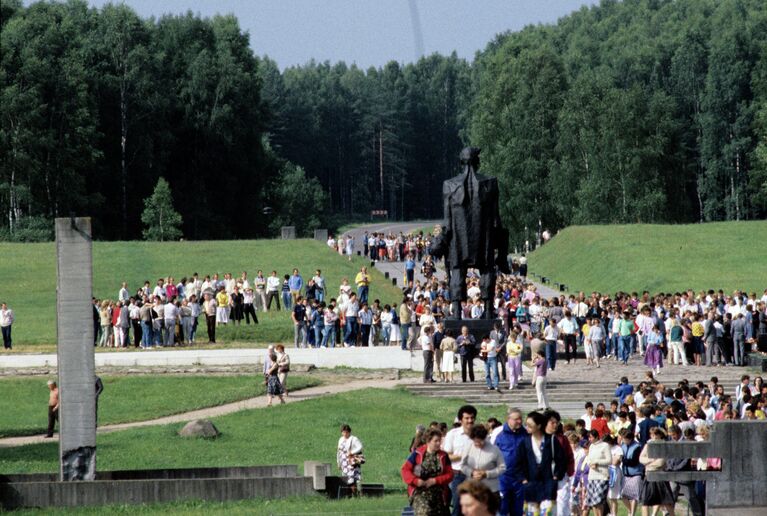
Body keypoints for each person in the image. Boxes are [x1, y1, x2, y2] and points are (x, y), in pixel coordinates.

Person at [515, 411, 566, 516]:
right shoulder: (525, 442)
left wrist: (556, 476)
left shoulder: (551, 440)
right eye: (526, 425)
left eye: (530, 425)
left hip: (548, 482)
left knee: (547, 512)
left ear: (538, 426)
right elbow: (518, 462)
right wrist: (523, 479)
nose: (527, 427)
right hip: (530, 483)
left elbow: (561, 460)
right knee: (532, 513)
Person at [401, 427, 454, 516]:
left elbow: (450, 474)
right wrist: (416, 481)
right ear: (428, 441)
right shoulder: (417, 454)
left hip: (439, 493)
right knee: (425, 512)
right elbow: (405, 470)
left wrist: (435, 481)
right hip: (420, 492)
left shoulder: (444, 456)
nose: (438, 443)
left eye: (440, 441)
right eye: (436, 441)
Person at [443, 405, 478, 516]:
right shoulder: (452, 434)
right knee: (458, 508)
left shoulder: (480, 434)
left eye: (472, 418)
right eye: (467, 418)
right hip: (458, 475)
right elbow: (447, 456)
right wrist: (463, 456)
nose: (470, 421)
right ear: (461, 419)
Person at [460, 424, 505, 500]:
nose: (477, 444)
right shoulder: (468, 447)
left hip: (490, 490)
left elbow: (502, 468)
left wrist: (487, 474)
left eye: (480, 441)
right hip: (472, 488)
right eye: (475, 441)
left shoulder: (494, 449)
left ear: (485, 438)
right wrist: (471, 472)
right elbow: (463, 466)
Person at [495, 408, 526, 516]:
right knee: (502, 509)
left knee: (518, 510)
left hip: (520, 479)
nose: (519, 421)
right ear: (508, 419)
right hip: (504, 478)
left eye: (520, 419)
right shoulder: (499, 435)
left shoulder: (526, 434)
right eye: (516, 419)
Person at [638, 427, 675, 516]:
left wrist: (649, 464)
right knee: (645, 501)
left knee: (666, 501)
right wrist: (650, 461)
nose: (653, 437)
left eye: (655, 434)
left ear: (659, 435)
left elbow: (661, 462)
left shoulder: (663, 446)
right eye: (651, 434)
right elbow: (641, 458)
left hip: (660, 477)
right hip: (649, 476)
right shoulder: (647, 445)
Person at [584, 430, 611, 516]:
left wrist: (597, 462)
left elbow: (609, 460)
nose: (589, 439)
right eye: (589, 437)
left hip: (602, 476)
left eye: (591, 437)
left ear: (596, 437)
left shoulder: (605, 445)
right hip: (592, 476)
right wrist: (590, 464)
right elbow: (588, 458)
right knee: (593, 501)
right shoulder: (591, 446)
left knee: (599, 501)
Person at [337, 424, 364, 493]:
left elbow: (360, 447)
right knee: (346, 478)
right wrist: (338, 462)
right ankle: (349, 494)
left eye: (346, 432)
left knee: (352, 478)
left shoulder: (354, 439)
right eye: (343, 432)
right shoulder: (340, 439)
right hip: (343, 462)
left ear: (349, 432)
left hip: (352, 461)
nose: (345, 434)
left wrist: (352, 452)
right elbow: (338, 451)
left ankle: (355, 494)